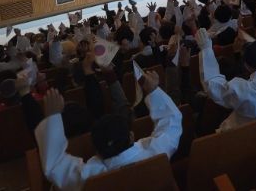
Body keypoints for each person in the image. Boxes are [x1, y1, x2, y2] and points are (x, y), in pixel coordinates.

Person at [35, 71, 182, 191]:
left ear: (97, 151)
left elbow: (54, 165)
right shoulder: (157, 152)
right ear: (131, 136)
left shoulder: (89, 177)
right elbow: (172, 121)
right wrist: (154, 90)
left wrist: (53, 118)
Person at [196, 6, 256, 134]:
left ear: (246, 65)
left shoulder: (243, 91)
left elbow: (213, 86)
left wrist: (206, 49)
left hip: (247, 139)